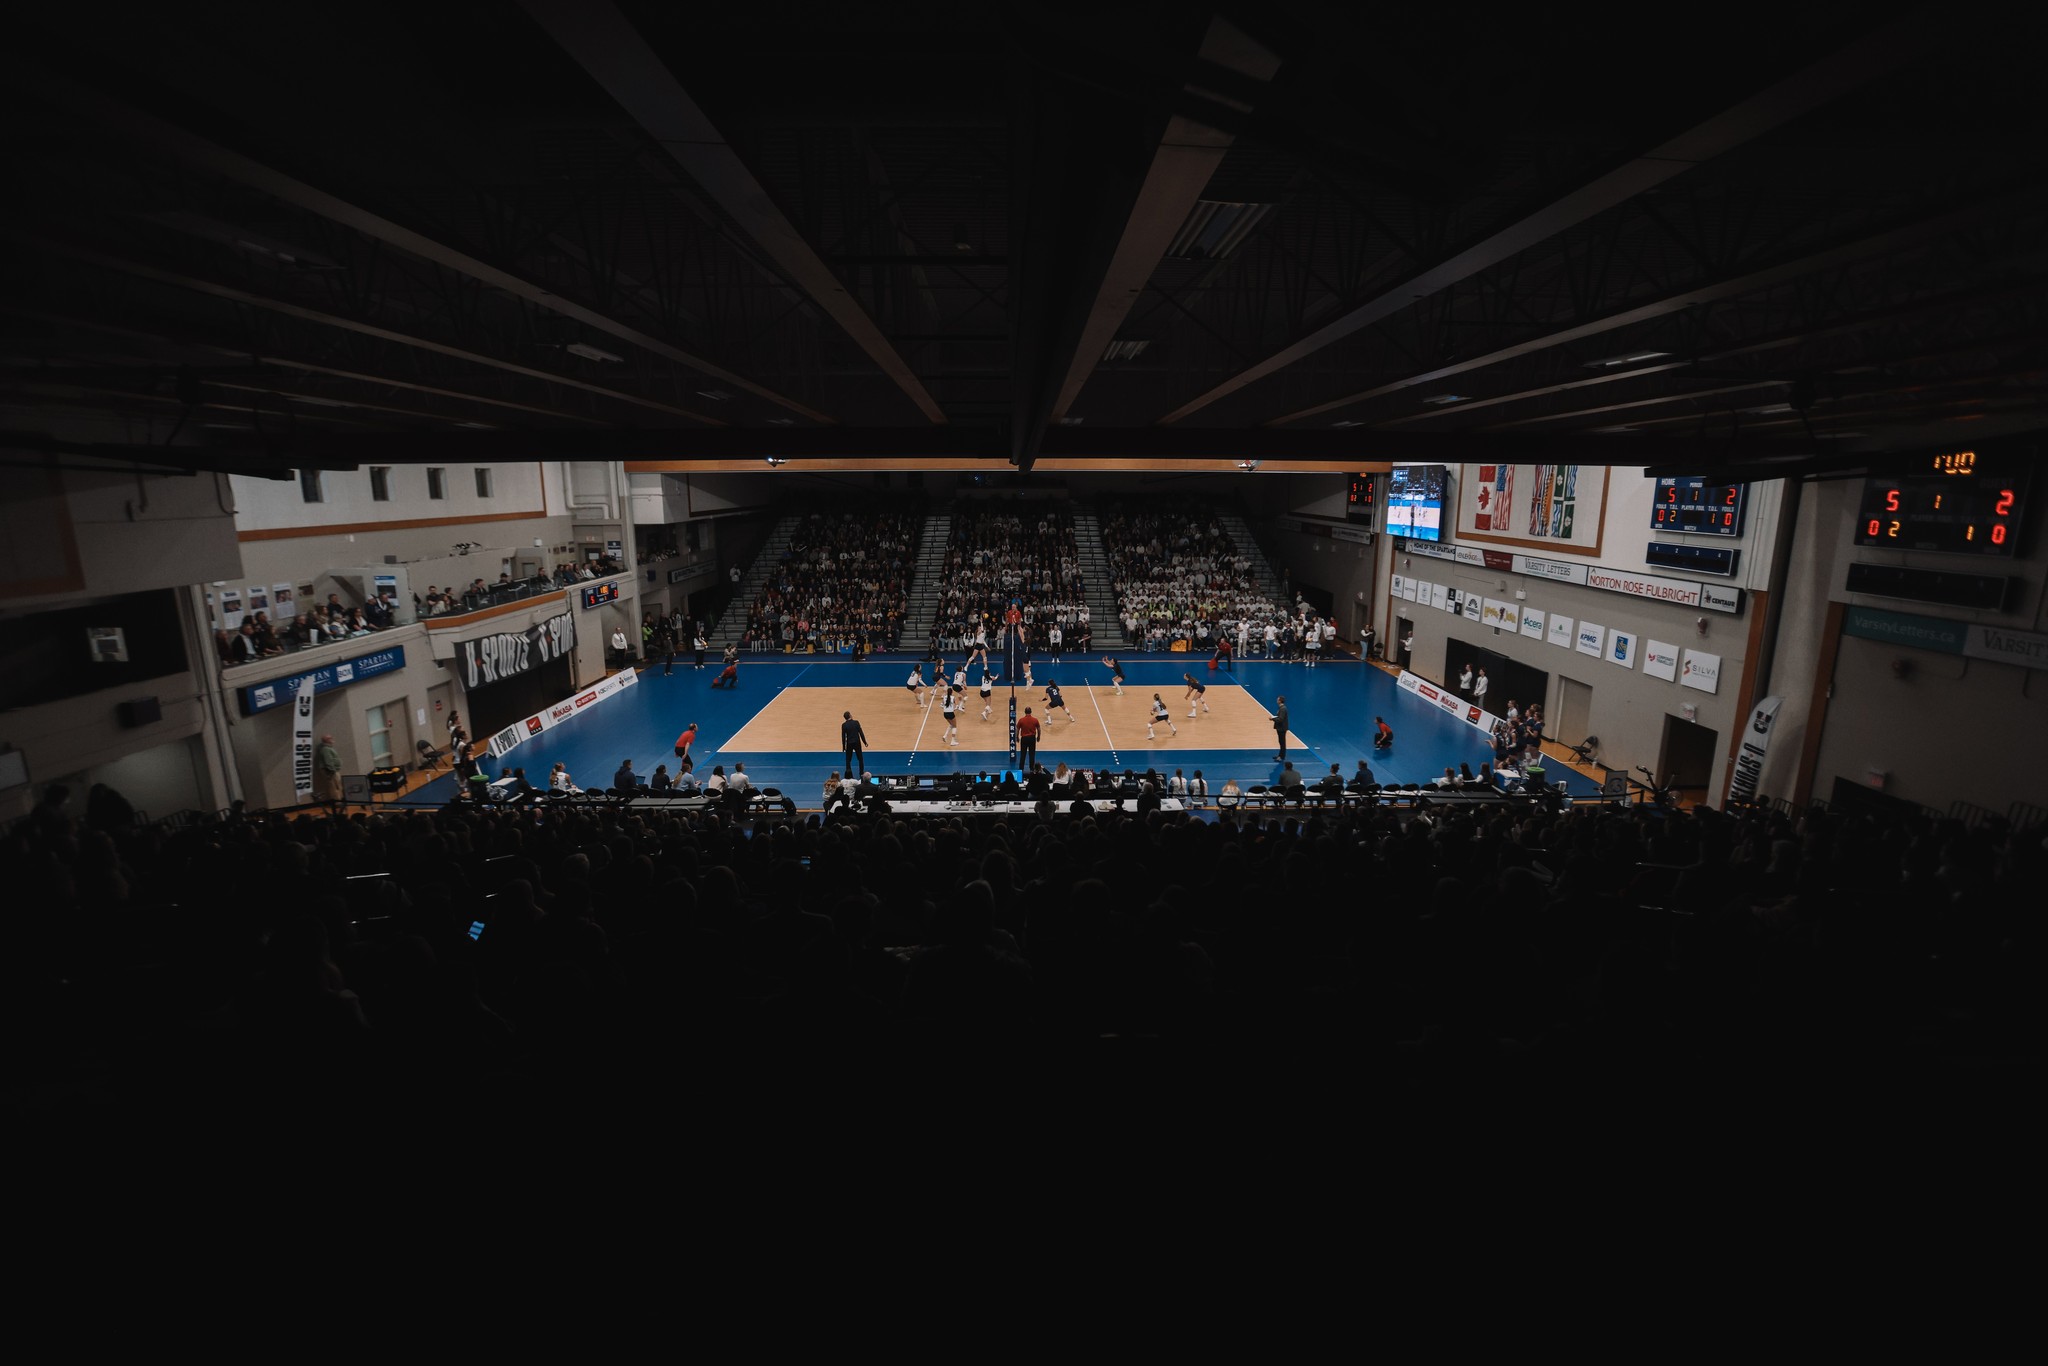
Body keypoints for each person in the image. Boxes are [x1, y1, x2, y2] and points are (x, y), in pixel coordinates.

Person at [314, 734, 343, 805]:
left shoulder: (329, 748)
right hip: (330, 771)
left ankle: (339, 800)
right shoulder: (325, 749)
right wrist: (332, 771)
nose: (332, 739)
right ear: (327, 740)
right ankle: (337, 803)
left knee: (337, 786)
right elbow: (328, 761)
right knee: (334, 787)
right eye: (330, 738)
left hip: (333, 770)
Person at [841, 710, 868, 775]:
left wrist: (844, 747)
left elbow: (843, 737)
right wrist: (865, 742)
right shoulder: (856, 722)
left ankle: (849, 774)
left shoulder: (844, 725)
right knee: (860, 758)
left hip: (849, 743)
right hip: (857, 742)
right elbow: (861, 733)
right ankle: (861, 773)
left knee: (848, 760)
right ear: (850, 715)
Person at [1272, 695, 1289, 763]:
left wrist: (1273, 719)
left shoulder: (1283, 709)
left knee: (1282, 743)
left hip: (1282, 728)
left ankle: (1282, 757)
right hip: (1280, 728)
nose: (1277, 700)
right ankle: (1280, 755)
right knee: (1281, 742)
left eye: (1278, 699)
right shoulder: (1281, 708)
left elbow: (1280, 719)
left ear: (1280, 701)